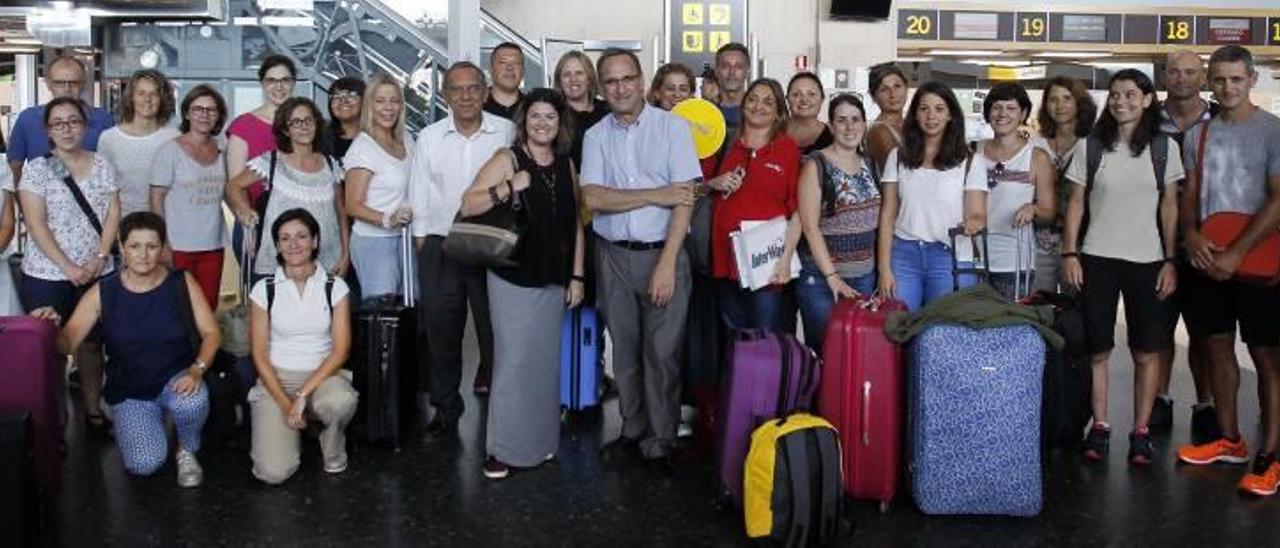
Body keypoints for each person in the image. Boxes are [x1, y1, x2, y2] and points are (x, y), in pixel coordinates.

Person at [31, 212, 217, 487]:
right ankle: (142, 422)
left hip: (176, 378)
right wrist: (50, 325)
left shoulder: (180, 282)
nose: (143, 254)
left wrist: (196, 369)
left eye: (152, 246)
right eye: (135, 246)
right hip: (130, 389)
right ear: (122, 247)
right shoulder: (103, 291)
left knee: (192, 402)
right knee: (145, 464)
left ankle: (186, 449)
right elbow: (68, 342)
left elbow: (212, 333)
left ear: (163, 248)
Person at [582, 48, 700, 475]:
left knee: (662, 353)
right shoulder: (595, 136)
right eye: (610, 82)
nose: (620, 88)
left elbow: (683, 201)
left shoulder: (673, 129)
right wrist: (655, 194)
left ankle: (661, 437)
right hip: (612, 256)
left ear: (640, 79)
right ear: (602, 87)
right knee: (625, 351)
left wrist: (668, 262)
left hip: (661, 253)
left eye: (626, 78)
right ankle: (633, 429)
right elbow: (593, 199)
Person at [458, 88, 586, 479]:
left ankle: (540, 443)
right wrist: (510, 186)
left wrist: (577, 275)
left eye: (550, 117)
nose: (542, 123)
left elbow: (576, 223)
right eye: (535, 116)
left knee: (545, 365)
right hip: (513, 275)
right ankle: (502, 450)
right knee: (514, 364)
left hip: (554, 277)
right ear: (524, 121)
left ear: (559, 123)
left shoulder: (565, 163)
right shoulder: (507, 159)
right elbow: (469, 203)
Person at [1062, 69, 1182, 466]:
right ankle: (1101, 426)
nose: (1121, 101)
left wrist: (1170, 260)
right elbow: (1076, 202)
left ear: (1147, 100)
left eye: (1130, 94)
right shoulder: (1091, 146)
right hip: (1097, 257)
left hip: (1147, 261)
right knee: (1099, 349)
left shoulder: (1164, 148)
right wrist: (1070, 254)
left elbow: (1170, 206)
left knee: (1146, 351)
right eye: (1114, 95)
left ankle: (1141, 430)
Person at [1176, 46, 1280, 496]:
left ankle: (1270, 456)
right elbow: (1189, 195)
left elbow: (1278, 200)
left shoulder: (1274, 132)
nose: (1227, 88)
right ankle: (1230, 439)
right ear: (1209, 83)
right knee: (1216, 347)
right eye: (1218, 80)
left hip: (1259, 262)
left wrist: (1238, 252)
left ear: (1251, 79)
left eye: (1236, 79)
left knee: (1267, 359)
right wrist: (1191, 236)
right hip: (1206, 259)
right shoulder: (1197, 135)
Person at [408, 61, 514, 435]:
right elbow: (419, 188)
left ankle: (504, 407)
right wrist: (423, 239)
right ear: (445, 95)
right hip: (441, 243)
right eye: (457, 89)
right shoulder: (430, 137)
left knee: (494, 330)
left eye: (473, 88)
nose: (466, 96)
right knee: (442, 329)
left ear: (485, 92)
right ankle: (446, 407)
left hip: (491, 242)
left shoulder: (505, 131)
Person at [17, 96, 122, 438]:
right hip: (47, 275)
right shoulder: (38, 169)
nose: (66, 128)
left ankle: (93, 409)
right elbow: (36, 225)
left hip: (97, 271)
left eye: (73, 121)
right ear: (48, 130)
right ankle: (54, 421)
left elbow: (112, 214)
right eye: (58, 123)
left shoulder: (102, 164)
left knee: (93, 344)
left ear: (85, 125)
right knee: (52, 347)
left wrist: (101, 257)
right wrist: (69, 267)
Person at [248, 208, 356, 484]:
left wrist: (304, 393)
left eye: (301, 236)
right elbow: (259, 355)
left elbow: (341, 351)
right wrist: (287, 404)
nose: (293, 244)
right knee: (273, 473)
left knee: (340, 401)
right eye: (284, 238)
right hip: (277, 377)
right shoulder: (265, 289)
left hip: (321, 375)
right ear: (277, 245)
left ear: (315, 241)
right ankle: (295, 426)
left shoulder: (335, 287)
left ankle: (331, 444)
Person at [875, 81, 987, 312]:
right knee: (899, 326)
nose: (931, 116)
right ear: (915, 115)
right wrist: (884, 268)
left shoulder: (970, 161)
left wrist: (975, 221)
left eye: (939, 109)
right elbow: (887, 216)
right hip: (904, 255)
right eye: (924, 108)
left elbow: (977, 212)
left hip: (949, 257)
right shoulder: (898, 157)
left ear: (950, 116)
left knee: (942, 330)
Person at [1154, 50, 1220, 440]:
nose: (1181, 79)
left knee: (1204, 331)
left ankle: (1205, 403)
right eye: (1174, 72)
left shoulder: (1221, 120)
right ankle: (1160, 399)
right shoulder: (1146, 119)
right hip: (1155, 241)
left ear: (1203, 77)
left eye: (1190, 72)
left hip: (1207, 242)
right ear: (1164, 76)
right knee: (1158, 330)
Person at [705, 78, 801, 331]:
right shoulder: (723, 144)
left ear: (779, 111)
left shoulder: (788, 150)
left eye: (768, 101)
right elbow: (692, 190)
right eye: (753, 99)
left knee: (764, 340)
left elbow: (798, 211)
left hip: (767, 261)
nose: (759, 106)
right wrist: (713, 183)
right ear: (743, 104)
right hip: (724, 259)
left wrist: (786, 258)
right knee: (734, 341)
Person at [226, 97, 349, 284]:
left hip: (327, 262)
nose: (304, 126)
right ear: (285, 129)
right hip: (279, 265)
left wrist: (345, 254)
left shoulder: (331, 165)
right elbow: (233, 186)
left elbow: (341, 215)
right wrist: (244, 209)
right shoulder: (272, 162)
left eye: (309, 120)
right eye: (296, 122)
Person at [795, 93, 880, 352]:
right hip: (822, 279)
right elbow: (809, 227)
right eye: (841, 120)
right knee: (824, 351)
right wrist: (832, 277)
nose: (849, 127)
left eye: (856, 120)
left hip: (864, 276)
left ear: (864, 125)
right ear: (831, 126)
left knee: (856, 352)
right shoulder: (816, 164)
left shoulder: (871, 164)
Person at [973, 82, 1055, 300]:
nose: (1002, 114)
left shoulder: (1037, 158)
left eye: (1011, 108)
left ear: (1024, 114)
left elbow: (1049, 212)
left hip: (1015, 262)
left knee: (1011, 325)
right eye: (996, 107)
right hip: (971, 258)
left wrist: (1033, 208)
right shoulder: (973, 151)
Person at [150, 84, 229, 309]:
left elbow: (227, 191)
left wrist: (244, 214)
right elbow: (156, 198)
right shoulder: (169, 151)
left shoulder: (222, 149)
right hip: (178, 246)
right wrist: (162, 243)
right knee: (177, 308)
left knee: (207, 307)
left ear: (218, 116)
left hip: (213, 244)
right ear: (187, 113)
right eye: (198, 109)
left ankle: (202, 346)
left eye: (211, 110)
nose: (204, 115)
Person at [344, 72, 414, 299]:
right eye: (380, 101)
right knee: (383, 318)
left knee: (410, 315)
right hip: (374, 243)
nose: (388, 108)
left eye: (394, 101)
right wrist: (387, 219)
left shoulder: (407, 140)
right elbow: (352, 206)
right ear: (369, 106)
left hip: (406, 239)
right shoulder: (363, 147)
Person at [225, 55, 297, 271]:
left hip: (297, 221)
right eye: (272, 80)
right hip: (256, 220)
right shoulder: (244, 126)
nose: (279, 86)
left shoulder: (304, 124)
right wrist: (245, 216)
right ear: (262, 84)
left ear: (293, 83)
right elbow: (235, 183)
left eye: (285, 80)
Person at [1030, 77, 1097, 294]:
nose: (1060, 106)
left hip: (1081, 242)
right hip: (1039, 242)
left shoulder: (1093, 145)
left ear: (1080, 103)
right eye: (1053, 100)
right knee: (1038, 304)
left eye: (1067, 98)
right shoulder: (1035, 145)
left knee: (1077, 309)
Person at [8, 55, 115, 185]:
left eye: (73, 82)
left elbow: (113, 169)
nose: (67, 88)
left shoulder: (103, 119)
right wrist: (23, 202)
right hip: (38, 200)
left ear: (83, 83)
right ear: (48, 83)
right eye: (59, 82)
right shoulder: (28, 119)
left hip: (91, 201)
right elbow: (14, 169)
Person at [97, 70, 180, 216]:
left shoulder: (174, 137)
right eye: (141, 93)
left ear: (163, 99)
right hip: (123, 223)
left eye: (154, 94)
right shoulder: (109, 139)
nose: (147, 99)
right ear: (131, 98)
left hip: (165, 222)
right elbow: (103, 191)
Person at [554, 50, 610, 168]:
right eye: (567, 74)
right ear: (559, 81)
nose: (573, 79)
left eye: (579, 73)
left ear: (589, 79)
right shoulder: (553, 115)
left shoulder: (608, 110)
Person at [866, 63, 908, 172]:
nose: (893, 94)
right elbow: (900, 172)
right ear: (873, 96)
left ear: (906, 88)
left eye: (897, 86)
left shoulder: (909, 124)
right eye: (884, 89)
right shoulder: (879, 132)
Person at [785, 72, 832, 156]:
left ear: (822, 99)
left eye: (811, 94)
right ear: (787, 98)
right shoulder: (772, 133)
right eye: (796, 94)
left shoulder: (832, 139)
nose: (804, 100)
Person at [326, 76, 366, 161]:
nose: (343, 100)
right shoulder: (320, 139)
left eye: (351, 95)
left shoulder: (379, 138)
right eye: (336, 96)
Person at [713, 42, 750, 131]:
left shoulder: (758, 112)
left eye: (738, 66)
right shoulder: (706, 111)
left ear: (747, 71)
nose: (732, 73)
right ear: (716, 71)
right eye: (725, 66)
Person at [484, 42, 525, 120]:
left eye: (516, 63)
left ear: (523, 71)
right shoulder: (476, 107)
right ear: (491, 69)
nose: (509, 67)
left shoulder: (531, 108)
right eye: (503, 62)